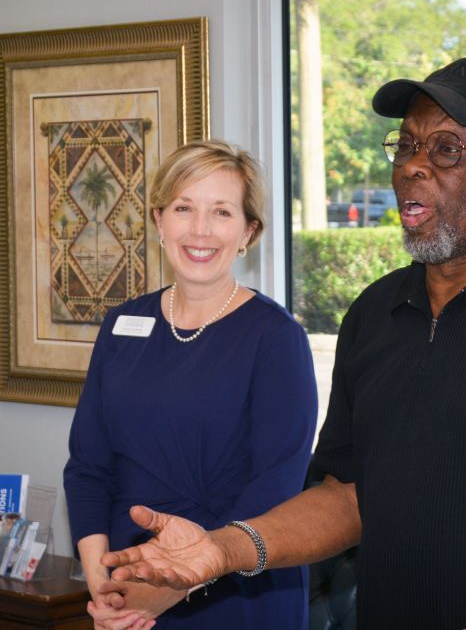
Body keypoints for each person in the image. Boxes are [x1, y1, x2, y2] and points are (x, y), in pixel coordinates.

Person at [100, 58, 466, 630]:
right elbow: (348, 497)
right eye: (406, 145)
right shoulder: (375, 313)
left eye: (446, 149)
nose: (413, 166)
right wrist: (223, 550)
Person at [63, 140, 317, 630]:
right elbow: (88, 467)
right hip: (126, 586)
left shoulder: (276, 337)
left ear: (249, 231)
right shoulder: (122, 324)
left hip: (233, 592)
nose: (200, 230)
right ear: (159, 220)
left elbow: (275, 489)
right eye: (184, 208)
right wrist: (103, 581)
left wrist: (170, 585)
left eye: (221, 212)